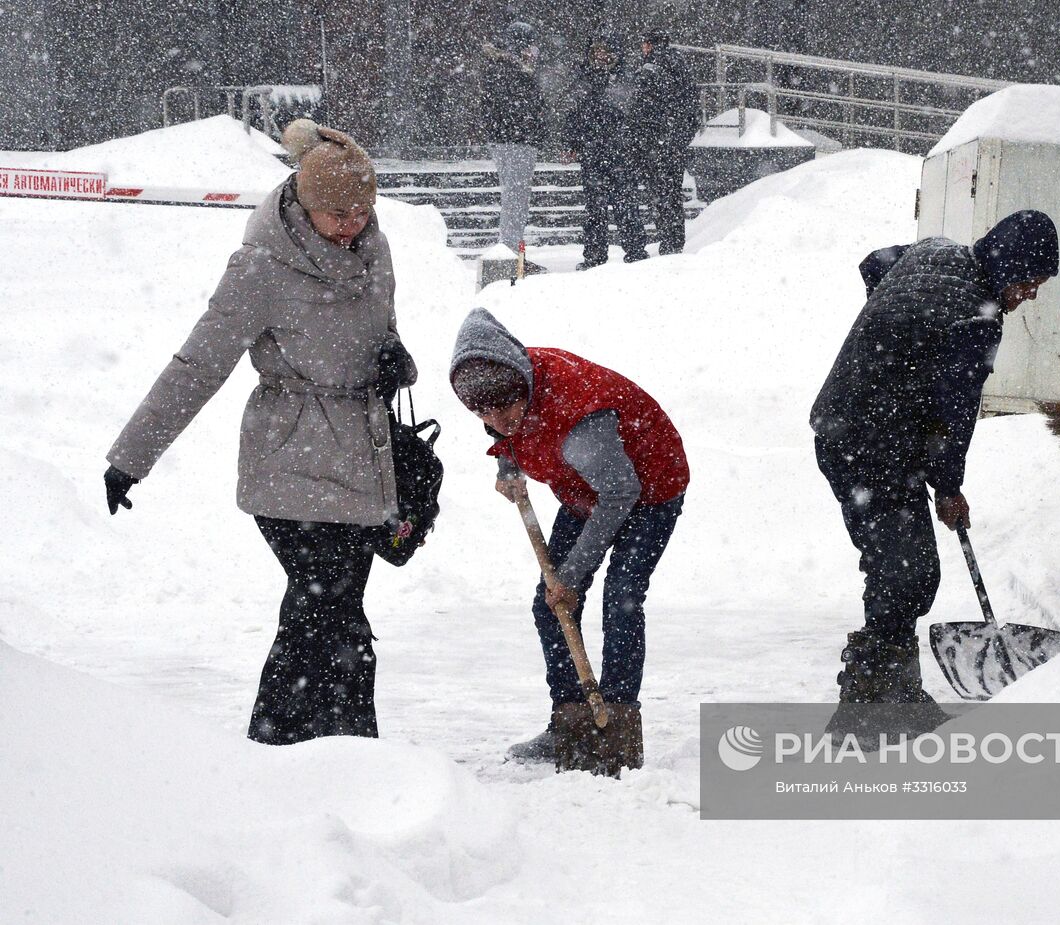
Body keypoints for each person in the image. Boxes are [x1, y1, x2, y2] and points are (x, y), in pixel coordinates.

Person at [103, 119, 417, 745]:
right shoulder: (260, 268)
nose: (352, 223)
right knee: (329, 611)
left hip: (361, 458)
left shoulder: (374, 251)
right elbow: (198, 365)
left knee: (327, 614)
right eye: (338, 212)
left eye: (362, 209)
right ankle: (329, 748)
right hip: (290, 457)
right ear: (305, 202)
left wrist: (394, 357)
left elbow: (385, 330)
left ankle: (301, 751)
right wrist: (131, 458)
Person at [810, 210, 1059, 706]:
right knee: (908, 570)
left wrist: (894, 346)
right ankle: (873, 705)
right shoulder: (976, 318)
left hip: (844, 425)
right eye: (1030, 283)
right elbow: (954, 414)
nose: (1029, 295)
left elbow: (875, 265)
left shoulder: (937, 250)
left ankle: (892, 693)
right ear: (1011, 267)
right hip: (871, 443)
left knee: (897, 565)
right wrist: (947, 488)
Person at [448, 308, 687, 763]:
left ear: (524, 385)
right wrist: (508, 463)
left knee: (621, 596)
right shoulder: (510, 381)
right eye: (483, 411)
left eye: (505, 406)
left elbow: (620, 494)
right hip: (582, 489)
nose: (498, 419)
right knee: (548, 604)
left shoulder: (580, 418)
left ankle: (614, 722)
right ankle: (570, 721)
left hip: (649, 489)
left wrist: (572, 575)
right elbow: (509, 429)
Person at [561, 33, 650, 269]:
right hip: (593, 151)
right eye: (596, 51)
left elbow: (629, 109)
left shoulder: (622, 77)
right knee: (595, 209)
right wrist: (572, 143)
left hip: (618, 150)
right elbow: (573, 112)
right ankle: (595, 255)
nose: (600, 56)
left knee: (626, 205)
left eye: (605, 51)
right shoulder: (584, 77)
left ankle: (634, 251)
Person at [632, 27, 702, 255]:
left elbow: (642, 105)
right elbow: (691, 107)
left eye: (644, 44)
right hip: (673, 141)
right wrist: (680, 138)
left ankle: (669, 242)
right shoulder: (680, 65)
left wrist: (644, 137)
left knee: (661, 194)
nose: (642, 48)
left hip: (657, 141)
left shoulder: (652, 66)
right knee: (671, 193)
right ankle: (673, 242)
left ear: (650, 45)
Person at [480, 20, 547, 250]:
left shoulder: (506, 69)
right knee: (516, 198)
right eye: (531, 45)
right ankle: (509, 249)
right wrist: (533, 122)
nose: (534, 52)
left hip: (514, 139)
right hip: (515, 140)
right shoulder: (511, 71)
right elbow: (514, 108)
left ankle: (511, 247)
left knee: (516, 197)